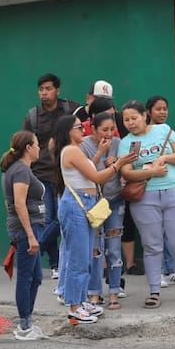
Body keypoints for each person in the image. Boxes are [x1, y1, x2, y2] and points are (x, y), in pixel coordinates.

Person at [119, 99, 175, 309]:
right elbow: (125, 172)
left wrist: (164, 158)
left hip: (173, 192)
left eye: (134, 118)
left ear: (144, 115)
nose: (130, 123)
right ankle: (154, 290)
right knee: (152, 245)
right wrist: (150, 172)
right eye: (126, 120)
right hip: (145, 197)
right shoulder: (125, 142)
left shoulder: (164, 130)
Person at [55, 115, 132, 324]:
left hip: (85, 203)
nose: (84, 129)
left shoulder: (76, 150)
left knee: (86, 257)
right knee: (78, 259)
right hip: (76, 205)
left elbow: (89, 171)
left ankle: (81, 300)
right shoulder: (70, 150)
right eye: (79, 127)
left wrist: (98, 154)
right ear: (68, 131)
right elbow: (97, 177)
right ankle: (74, 307)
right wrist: (119, 164)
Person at [22, 73, 79, 278]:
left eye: (48, 89)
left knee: (61, 219)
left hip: (67, 173)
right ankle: (55, 264)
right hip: (41, 174)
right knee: (48, 219)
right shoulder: (33, 116)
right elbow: (24, 145)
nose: (44, 93)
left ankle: (35, 252)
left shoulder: (71, 109)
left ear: (58, 90)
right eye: (41, 89)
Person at [1, 130, 47, 338]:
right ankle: (24, 325)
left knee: (36, 276)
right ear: (28, 147)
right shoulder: (20, 170)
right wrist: (29, 234)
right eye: (36, 144)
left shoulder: (20, 169)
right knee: (27, 276)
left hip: (30, 227)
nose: (39, 148)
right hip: (26, 228)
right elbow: (19, 203)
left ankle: (27, 320)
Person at [81, 112, 126, 309]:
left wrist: (118, 163)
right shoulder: (83, 146)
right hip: (93, 203)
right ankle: (94, 293)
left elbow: (128, 167)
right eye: (103, 130)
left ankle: (114, 291)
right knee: (95, 249)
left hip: (114, 201)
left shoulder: (119, 143)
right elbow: (84, 173)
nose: (108, 134)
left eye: (111, 129)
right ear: (93, 128)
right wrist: (100, 154)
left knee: (114, 248)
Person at [145, 94, 175, 285]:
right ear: (149, 111)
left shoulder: (168, 131)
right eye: (158, 109)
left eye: (165, 108)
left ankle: (172, 268)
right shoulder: (141, 132)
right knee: (154, 232)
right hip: (150, 183)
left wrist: (165, 159)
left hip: (171, 180)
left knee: (171, 229)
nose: (163, 112)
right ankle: (158, 272)